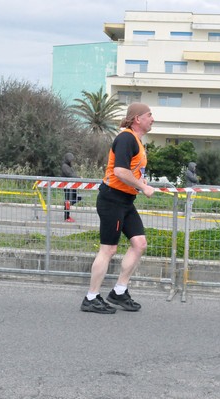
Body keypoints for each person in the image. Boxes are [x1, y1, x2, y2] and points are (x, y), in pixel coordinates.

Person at [80, 103, 155, 314]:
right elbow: (120, 171)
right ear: (137, 118)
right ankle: (91, 297)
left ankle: (119, 291)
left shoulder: (137, 141)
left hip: (126, 201)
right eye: (150, 115)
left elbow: (132, 171)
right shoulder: (126, 138)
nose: (152, 119)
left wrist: (141, 184)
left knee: (139, 244)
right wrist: (143, 187)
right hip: (112, 199)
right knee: (109, 249)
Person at [61, 152, 81, 222]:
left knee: (77, 198)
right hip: (68, 187)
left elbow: (72, 174)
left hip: (71, 186)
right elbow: (70, 175)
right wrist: (79, 178)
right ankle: (67, 217)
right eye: (71, 160)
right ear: (68, 159)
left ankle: (67, 206)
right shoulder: (65, 166)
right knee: (69, 201)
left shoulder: (68, 166)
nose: (72, 161)